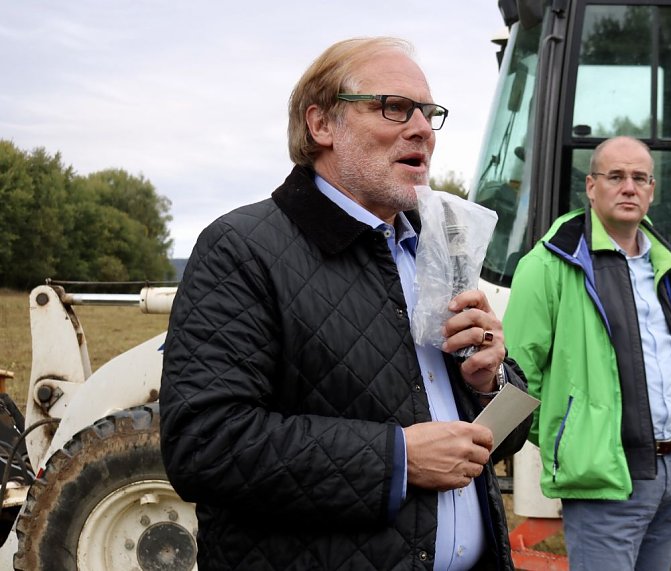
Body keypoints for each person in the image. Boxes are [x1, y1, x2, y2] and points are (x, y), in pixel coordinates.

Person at [159, 36, 531, 570]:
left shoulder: (440, 247)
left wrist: (489, 381)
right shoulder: (243, 247)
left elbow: (496, 442)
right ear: (321, 125)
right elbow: (204, 444)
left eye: (429, 113)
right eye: (394, 107)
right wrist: (399, 459)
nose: (422, 129)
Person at [503, 136, 671, 571]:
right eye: (615, 176)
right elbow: (517, 375)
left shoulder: (665, 263)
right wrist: (572, 441)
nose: (628, 187)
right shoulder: (548, 264)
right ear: (591, 186)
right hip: (605, 482)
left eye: (639, 178)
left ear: (652, 190)